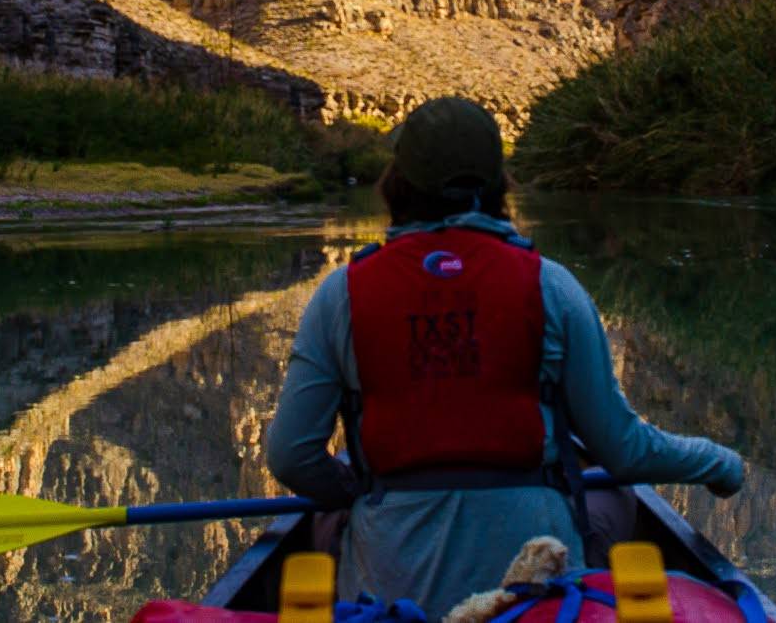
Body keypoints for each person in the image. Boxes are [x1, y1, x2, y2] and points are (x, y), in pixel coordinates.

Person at [264, 96, 745, 617]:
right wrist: (719, 462)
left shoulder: (339, 294)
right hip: (530, 591)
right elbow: (625, 452)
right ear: (498, 184)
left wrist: (357, 489)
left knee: (326, 519)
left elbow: (292, 457)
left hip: (396, 586)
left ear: (398, 183)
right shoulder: (552, 286)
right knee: (617, 498)